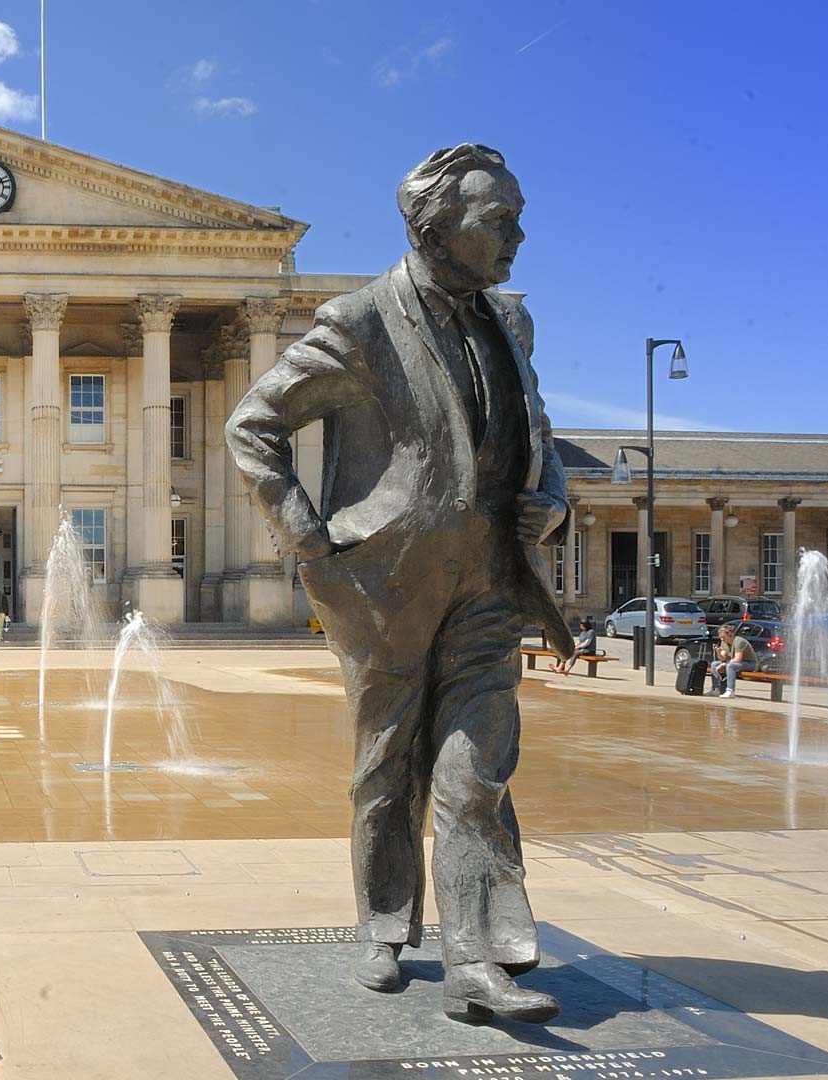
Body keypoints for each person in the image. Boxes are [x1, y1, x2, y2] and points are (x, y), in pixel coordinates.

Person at [229, 144, 571, 1024]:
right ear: (434, 226)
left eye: (517, 217)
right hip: (384, 586)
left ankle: (477, 960)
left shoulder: (511, 324)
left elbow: (539, 439)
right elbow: (253, 427)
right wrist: (314, 546)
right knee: (384, 772)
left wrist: (552, 508)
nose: (518, 236)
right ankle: (384, 926)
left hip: (493, 581)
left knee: (475, 771)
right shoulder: (360, 322)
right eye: (501, 220)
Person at [710, 623, 756, 699]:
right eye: (721, 637)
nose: (722, 639)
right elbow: (723, 658)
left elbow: (737, 659)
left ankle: (730, 690)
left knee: (730, 666)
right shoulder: (724, 643)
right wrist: (719, 652)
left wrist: (724, 664)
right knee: (714, 664)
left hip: (749, 663)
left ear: (729, 634)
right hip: (735, 662)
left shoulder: (739, 642)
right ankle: (715, 689)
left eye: (723, 637)